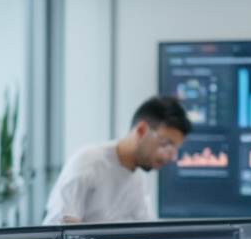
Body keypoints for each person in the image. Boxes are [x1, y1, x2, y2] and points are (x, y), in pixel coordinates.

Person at [43, 96, 190, 224]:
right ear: (141, 130)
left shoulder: (137, 179)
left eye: (175, 151)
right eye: (167, 145)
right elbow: (58, 226)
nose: (170, 157)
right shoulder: (89, 162)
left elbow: (145, 232)